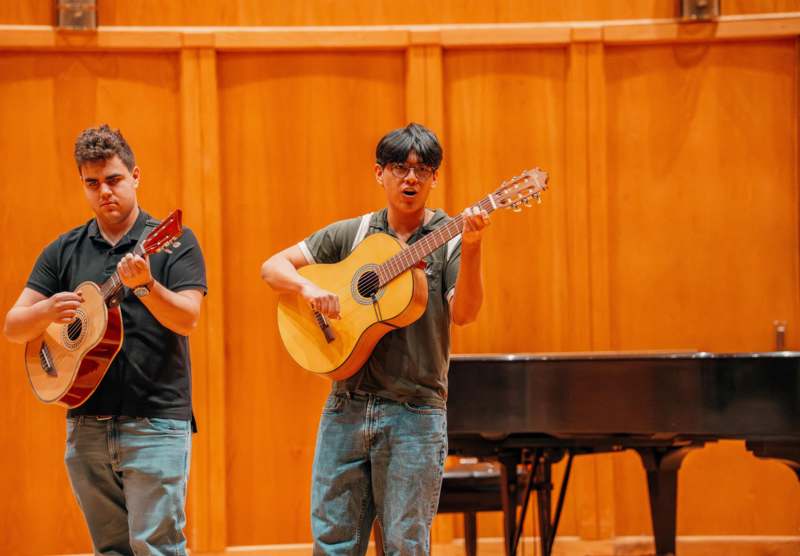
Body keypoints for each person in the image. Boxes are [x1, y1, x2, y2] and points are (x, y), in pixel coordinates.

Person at [260, 122, 490, 555]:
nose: (410, 178)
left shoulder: (449, 238)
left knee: (405, 545)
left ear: (435, 178)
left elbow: (466, 314)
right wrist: (308, 289)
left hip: (416, 412)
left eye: (423, 171)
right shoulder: (353, 233)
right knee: (333, 544)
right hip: (346, 404)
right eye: (400, 167)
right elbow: (273, 267)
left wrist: (474, 247)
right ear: (378, 173)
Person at [3, 124, 207, 555]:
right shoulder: (64, 250)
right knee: (110, 549)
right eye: (92, 183)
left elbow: (188, 319)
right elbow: (13, 326)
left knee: (157, 547)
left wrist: (147, 286)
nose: (104, 192)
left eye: (113, 179)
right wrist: (45, 313)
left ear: (135, 176)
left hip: (156, 421)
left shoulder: (171, 242)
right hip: (85, 425)